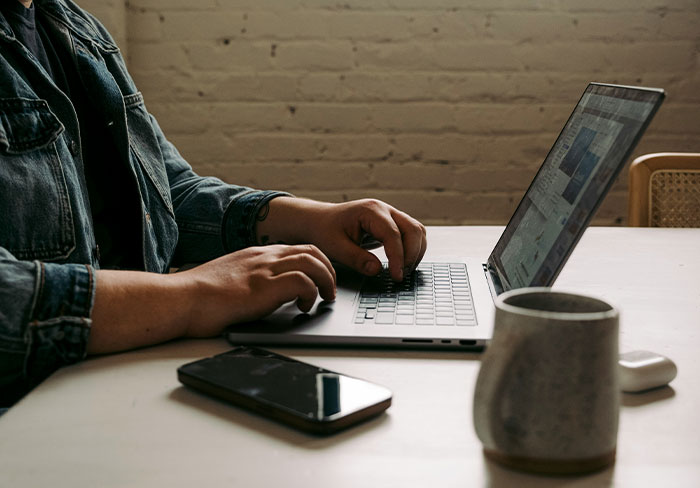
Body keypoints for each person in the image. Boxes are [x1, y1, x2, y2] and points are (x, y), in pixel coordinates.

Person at [0, 0, 426, 408]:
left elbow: (167, 192)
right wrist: (194, 295)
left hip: (129, 374)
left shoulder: (75, 28)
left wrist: (309, 219)